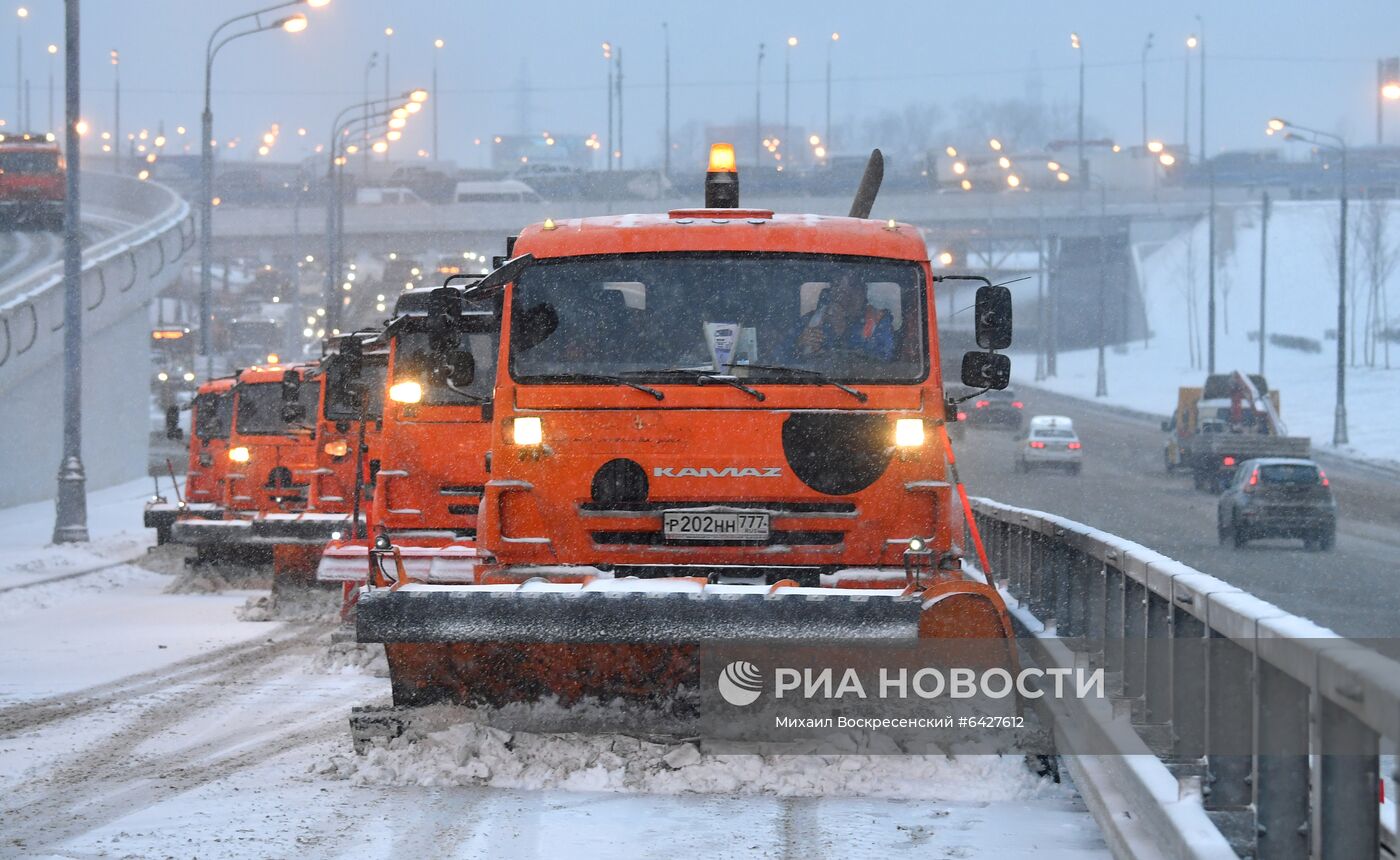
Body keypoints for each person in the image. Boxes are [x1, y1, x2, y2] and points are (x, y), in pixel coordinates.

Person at [793, 275, 894, 361]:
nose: (845, 293)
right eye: (837, 285)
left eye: (852, 286)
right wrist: (799, 345)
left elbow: (886, 362)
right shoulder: (810, 320)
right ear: (831, 291)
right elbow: (785, 360)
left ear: (863, 292)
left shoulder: (879, 319)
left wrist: (842, 332)